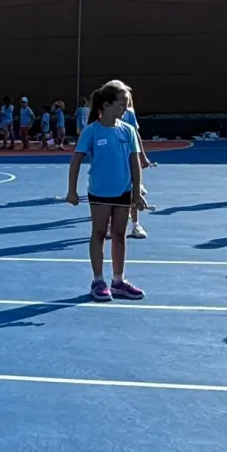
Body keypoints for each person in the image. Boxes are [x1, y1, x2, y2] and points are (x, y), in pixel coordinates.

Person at [66, 80, 146, 302]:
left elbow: (134, 163)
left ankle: (119, 281)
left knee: (120, 235)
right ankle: (98, 280)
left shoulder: (128, 131)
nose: (125, 108)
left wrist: (137, 193)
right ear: (107, 105)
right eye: (121, 104)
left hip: (123, 192)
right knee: (99, 234)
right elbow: (76, 162)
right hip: (100, 193)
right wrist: (71, 191)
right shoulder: (91, 132)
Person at [122, 90, 153, 239]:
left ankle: (135, 225)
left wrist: (143, 156)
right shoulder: (104, 117)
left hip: (128, 157)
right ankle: (109, 224)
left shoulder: (129, 114)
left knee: (133, 190)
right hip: (114, 160)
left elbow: (136, 135)